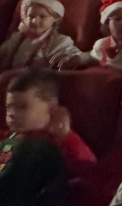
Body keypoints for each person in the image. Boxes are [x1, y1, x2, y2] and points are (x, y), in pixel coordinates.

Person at [1, 69, 97, 203]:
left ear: (51, 107)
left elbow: (89, 168)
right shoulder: (9, 139)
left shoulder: (58, 140)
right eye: (9, 107)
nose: (11, 114)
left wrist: (65, 135)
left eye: (22, 107)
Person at [0, 0, 82, 71]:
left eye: (42, 17)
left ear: (56, 18)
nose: (34, 21)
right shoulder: (18, 38)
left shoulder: (58, 41)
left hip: (37, 81)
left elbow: (74, 56)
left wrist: (69, 58)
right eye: (31, 16)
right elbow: (3, 52)